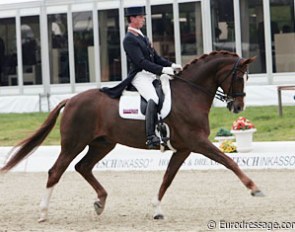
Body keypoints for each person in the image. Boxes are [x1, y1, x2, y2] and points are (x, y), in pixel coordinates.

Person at [101, 6, 182, 148]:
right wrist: (163, 69)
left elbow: (156, 58)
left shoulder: (143, 37)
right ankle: (151, 137)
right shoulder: (129, 39)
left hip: (150, 75)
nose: (143, 19)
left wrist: (172, 65)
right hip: (139, 75)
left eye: (143, 17)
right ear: (132, 19)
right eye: (140, 17)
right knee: (154, 98)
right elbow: (141, 62)